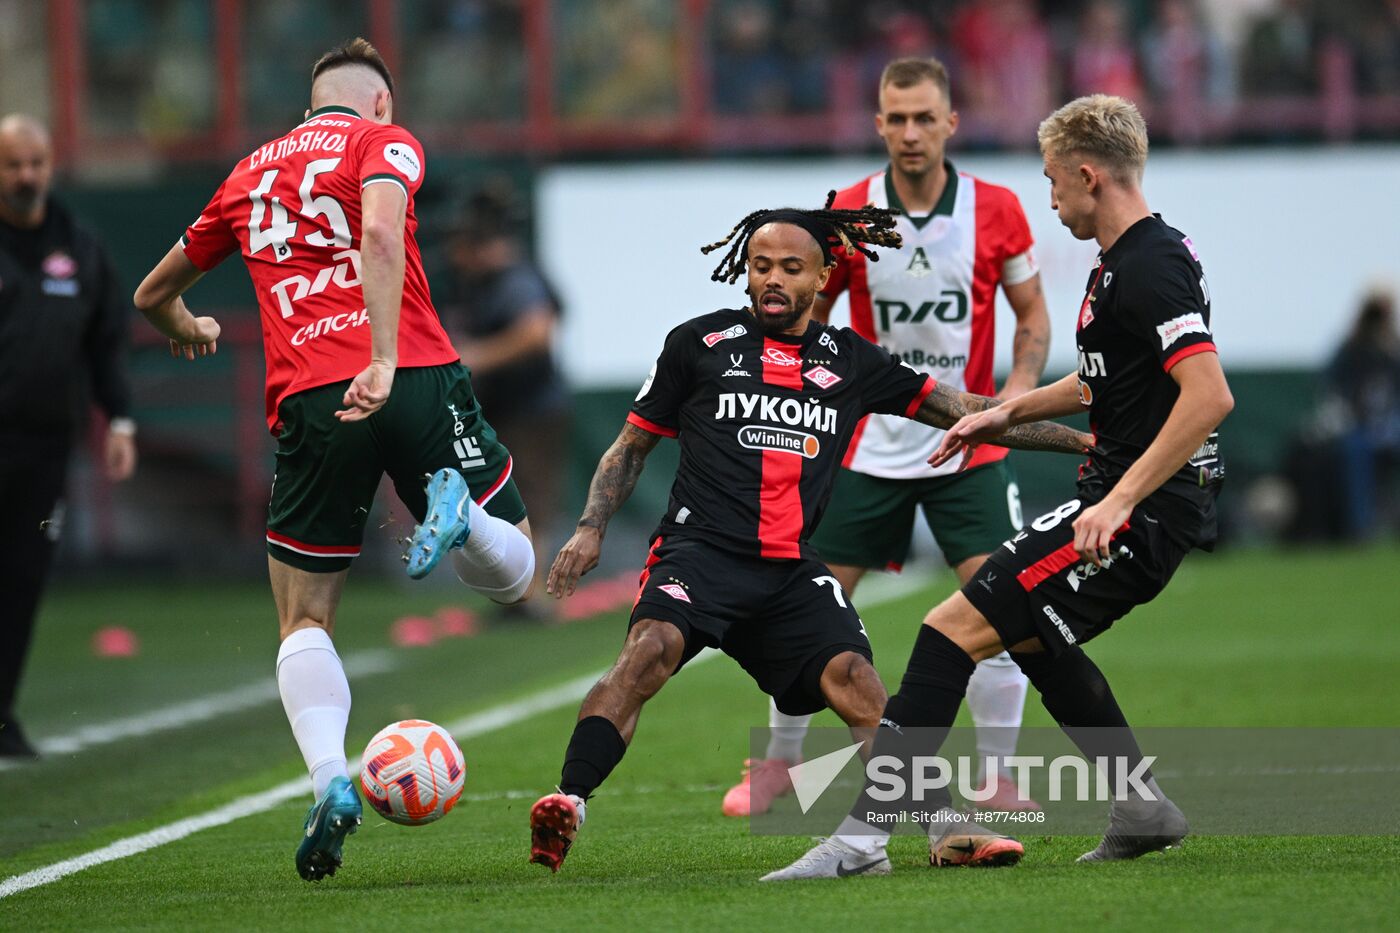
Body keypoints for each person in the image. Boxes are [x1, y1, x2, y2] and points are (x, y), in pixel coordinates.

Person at [527, 198, 1095, 874]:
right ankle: (568, 800)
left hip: (789, 570)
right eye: (760, 264)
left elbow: (969, 411)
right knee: (647, 651)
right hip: (698, 554)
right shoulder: (697, 344)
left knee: (856, 678)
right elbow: (629, 447)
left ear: (822, 277)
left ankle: (944, 826)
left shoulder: (850, 360)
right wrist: (590, 528)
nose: (773, 278)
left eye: (790, 267)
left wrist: (1088, 441)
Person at [764, 94, 1234, 881]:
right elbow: (1102, 382)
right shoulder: (1133, 259)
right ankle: (1141, 807)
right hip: (1129, 498)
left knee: (951, 627)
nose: (1050, 199)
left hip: (1137, 508)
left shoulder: (1149, 266)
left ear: (1089, 175)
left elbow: (1209, 395)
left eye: (1054, 183)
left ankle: (861, 840)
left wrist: (1120, 501)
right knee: (1029, 634)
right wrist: (1005, 411)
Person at [131, 39, 538, 882]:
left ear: (311, 102)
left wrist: (189, 329)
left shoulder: (247, 173)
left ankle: (329, 781)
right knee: (515, 573)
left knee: (305, 617)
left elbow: (151, 294)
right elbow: (383, 231)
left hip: (313, 400)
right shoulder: (382, 143)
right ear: (380, 105)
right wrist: (384, 357)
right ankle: (462, 524)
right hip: (414, 372)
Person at [722, 56, 1053, 819]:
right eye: (895, 118)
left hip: (969, 442)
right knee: (805, 603)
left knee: (999, 603)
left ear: (950, 123)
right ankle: (778, 765)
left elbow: (1031, 315)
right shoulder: (848, 211)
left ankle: (996, 775)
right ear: (878, 123)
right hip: (867, 445)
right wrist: (797, 397)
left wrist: (1012, 396)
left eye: (922, 117)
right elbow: (811, 314)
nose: (909, 132)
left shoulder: (997, 208)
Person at [0, 114, 138, 760]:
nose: (26, 175)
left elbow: (107, 342)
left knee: (23, 577)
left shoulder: (80, 248)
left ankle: (1, 713)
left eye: (35, 162)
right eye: (12, 164)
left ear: (51, 165)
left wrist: (119, 419)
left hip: (43, 446)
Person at [438, 182, 570, 611]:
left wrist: (477, 356)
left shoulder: (514, 279)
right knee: (500, 495)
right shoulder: (475, 284)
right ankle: (516, 593)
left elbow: (536, 332)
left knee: (528, 495)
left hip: (532, 405)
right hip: (501, 408)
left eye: (461, 245)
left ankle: (530, 595)